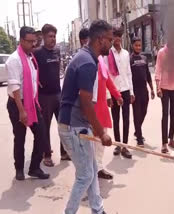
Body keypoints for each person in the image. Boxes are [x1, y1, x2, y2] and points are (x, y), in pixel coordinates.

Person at [58, 20, 113, 214]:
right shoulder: (87, 62)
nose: (112, 42)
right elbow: (86, 102)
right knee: (85, 175)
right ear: (100, 39)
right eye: (109, 38)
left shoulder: (86, 57)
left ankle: (98, 209)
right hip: (74, 127)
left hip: (78, 124)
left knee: (90, 170)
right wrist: (101, 133)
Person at [6, 26, 50, 180]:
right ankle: (19, 168)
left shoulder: (31, 58)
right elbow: (15, 86)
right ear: (21, 40)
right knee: (20, 136)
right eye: (30, 41)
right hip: (17, 103)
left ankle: (34, 168)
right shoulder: (14, 60)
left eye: (35, 41)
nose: (33, 44)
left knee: (42, 134)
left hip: (31, 102)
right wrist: (22, 110)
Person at [34, 24, 70, 167]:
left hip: (57, 94)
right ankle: (47, 154)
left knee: (63, 125)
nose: (53, 39)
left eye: (54, 36)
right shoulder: (37, 53)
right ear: (43, 37)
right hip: (44, 97)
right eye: (50, 36)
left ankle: (64, 152)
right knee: (45, 127)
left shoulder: (57, 51)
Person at [107, 28, 135, 159]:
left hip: (125, 90)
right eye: (115, 37)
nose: (117, 39)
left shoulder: (125, 54)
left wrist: (131, 91)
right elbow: (106, 76)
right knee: (116, 119)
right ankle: (117, 144)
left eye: (119, 37)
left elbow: (129, 73)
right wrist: (108, 95)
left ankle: (125, 145)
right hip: (114, 91)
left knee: (126, 119)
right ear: (112, 38)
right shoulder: (107, 54)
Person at [130, 37, 155, 147]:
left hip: (144, 90)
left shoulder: (144, 58)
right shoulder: (129, 59)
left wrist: (152, 89)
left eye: (140, 45)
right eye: (136, 45)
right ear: (132, 46)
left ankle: (137, 130)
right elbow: (127, 76)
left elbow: (148, 75)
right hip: (135, 91)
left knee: (143, 112)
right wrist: (130, 92)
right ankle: (139, 138)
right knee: (136, 114)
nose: (138, 47)